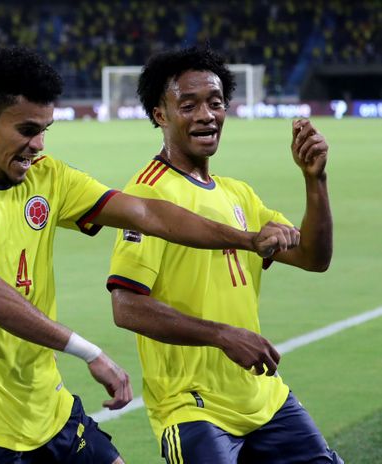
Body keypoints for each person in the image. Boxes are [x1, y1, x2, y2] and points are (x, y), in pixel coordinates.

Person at [0, 46, 298, 464]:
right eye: (26, 130)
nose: (37, 145)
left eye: (45, 131)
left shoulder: (48, 176)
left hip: (51, 411)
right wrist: (89, 352)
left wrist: (245, 239)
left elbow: (147, 213)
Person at [107, 46, 341, 463]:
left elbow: (313, 257)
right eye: (189, 104)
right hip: (193, 409)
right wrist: (222, 334)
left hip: (265, 398)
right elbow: (126, 307)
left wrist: (315, 180)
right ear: (160, 115)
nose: (206, 115)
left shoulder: (238, 193)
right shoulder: (147, 194)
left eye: (215, 103)